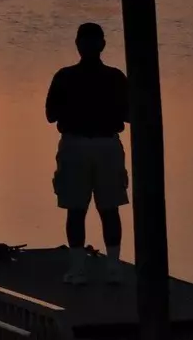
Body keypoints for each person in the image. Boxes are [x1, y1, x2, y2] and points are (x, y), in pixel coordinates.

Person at [44, 21, 131, 285]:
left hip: (75, 145)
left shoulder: (65, 76)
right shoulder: (116, 77)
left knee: (75, 209)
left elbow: (50, 115)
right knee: (110, 208)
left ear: (78, 46)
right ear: (102, 45)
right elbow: (129, 114)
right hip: (107, 145)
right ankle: (114, 268)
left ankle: (78, 269)